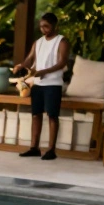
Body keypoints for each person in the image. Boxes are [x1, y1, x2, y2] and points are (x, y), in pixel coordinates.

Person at [13, 12, 70, 160]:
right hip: (38, 83)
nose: (43, 29)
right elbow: (30, 59)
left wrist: (44, 72)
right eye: (41, 26)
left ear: (54, 26)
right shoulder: (38, 42)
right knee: (36, 114)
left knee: (52, 116)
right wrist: (21, 66)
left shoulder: (61, 41)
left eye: (46, 26)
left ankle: (51, 149)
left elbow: (62, 62)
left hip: (53, 84)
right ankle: (34, 147)